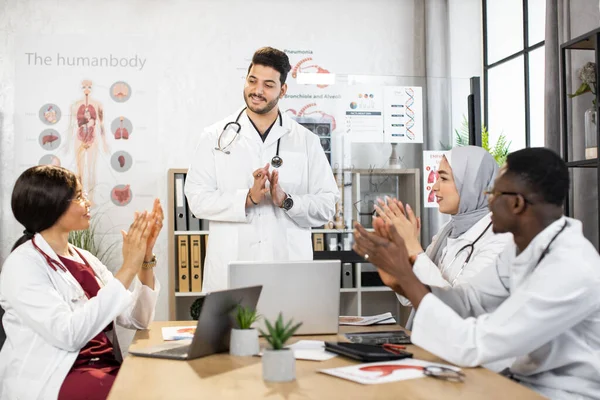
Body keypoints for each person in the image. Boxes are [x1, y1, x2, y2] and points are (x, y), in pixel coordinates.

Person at [353, 148, 600, 399]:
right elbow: (466, 301)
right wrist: (401, 280)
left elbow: (472, 344)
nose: (488, 201)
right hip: (515, 381)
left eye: (493, 193)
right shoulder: (520, 249)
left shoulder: (569, 268)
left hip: (558, 394)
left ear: (516, 203)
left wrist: (407, 273)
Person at [0, 165, 163, 399]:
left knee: (162, 380)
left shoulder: (84, 258)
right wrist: (128, 267)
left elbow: (137, 319)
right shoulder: (22, 265)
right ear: (53, 205)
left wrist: (145, 257)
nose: (89, 203)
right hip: (60, 375)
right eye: (79, 196)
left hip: (103, 366)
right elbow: (69, 335)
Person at [185, 46, 339, 292]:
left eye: (268, 85)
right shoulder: (214, 136)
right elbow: (196, 199)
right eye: (252, 81)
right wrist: (246, 198)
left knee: (289, 330)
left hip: (287, 272)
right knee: (231, 331)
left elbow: (327, 205)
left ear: (283, 89)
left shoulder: (306, 141)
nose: (257, 91)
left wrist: (287, 201)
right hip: (230, 271)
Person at [376, 146, 512, 298]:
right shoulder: (448, 230)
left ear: (472, 185)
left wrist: (412, 246)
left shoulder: (501, 240)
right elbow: (410, 295)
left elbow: (460, 306)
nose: (434, 187)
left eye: (444, 178)